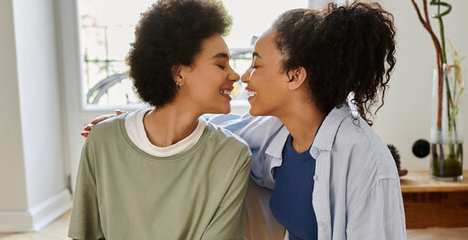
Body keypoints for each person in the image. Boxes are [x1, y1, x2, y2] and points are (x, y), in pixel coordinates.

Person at [86, 1, 406, 239]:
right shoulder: (276, 133)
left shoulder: (366, 161)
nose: (244, 77)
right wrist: (134, 122)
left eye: (256, 64)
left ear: (294, 76)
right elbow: (203, 128)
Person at [68, 0, 250, 239]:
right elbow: (86, 235)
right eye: (220, 64)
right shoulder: (102, 141)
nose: (235, 75)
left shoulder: (233, 156)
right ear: (178, 72)